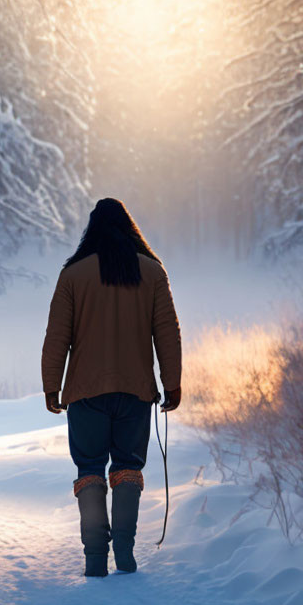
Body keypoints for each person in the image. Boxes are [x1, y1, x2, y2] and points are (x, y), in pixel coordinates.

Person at [41, 198, 182, 577]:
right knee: (127, 468)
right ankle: (125, 553)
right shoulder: (152, 272)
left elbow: (57, 337)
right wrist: (172, 384)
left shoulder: (73, 275)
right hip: (135, 392)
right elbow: (167, 331)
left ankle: (93, 560)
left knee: (89, 468)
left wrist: (51, 387)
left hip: (85, 394)